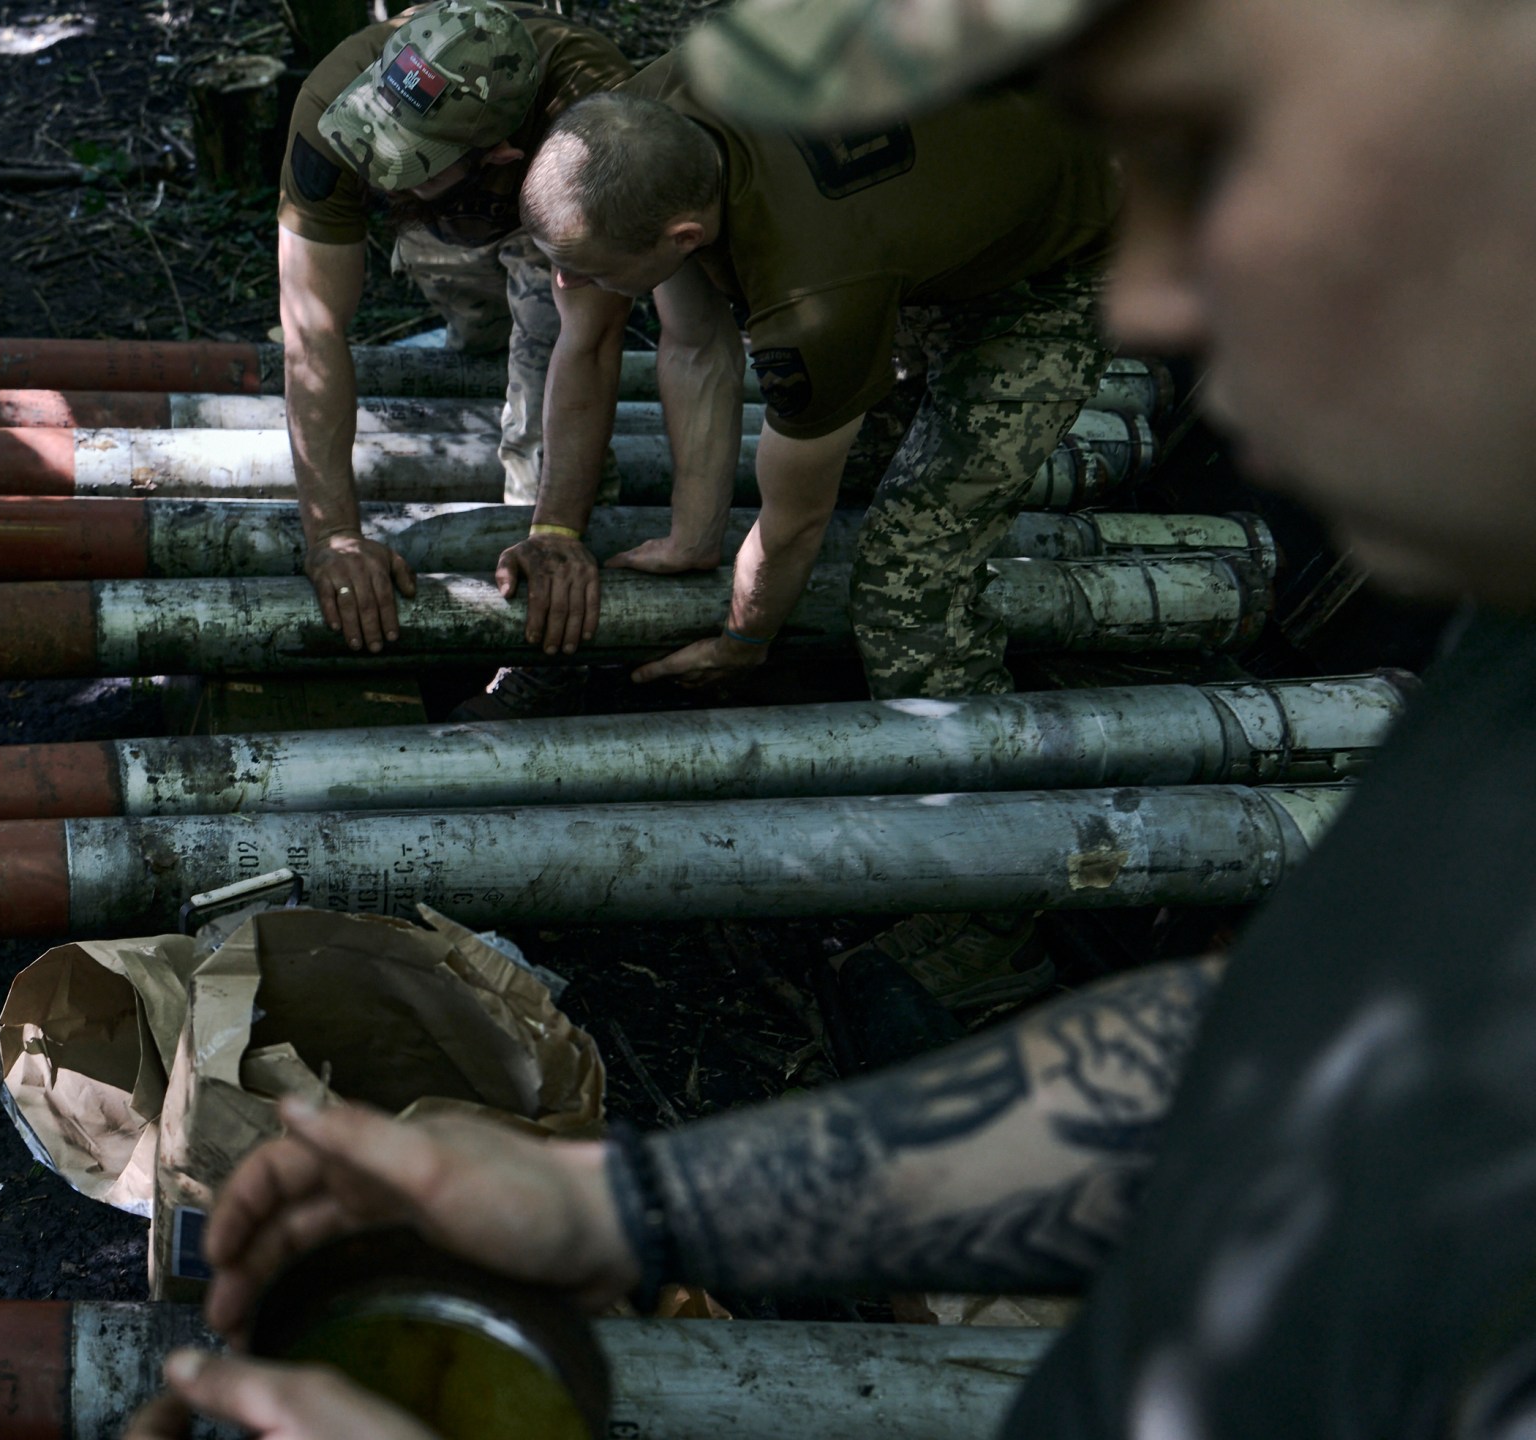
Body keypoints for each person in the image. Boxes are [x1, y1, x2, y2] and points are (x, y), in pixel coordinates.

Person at [122, 0, 1536, 1434]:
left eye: (1253, 161)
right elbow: (1256, 1058)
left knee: (921, 576)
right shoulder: (1501, 675)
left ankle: (979, 920)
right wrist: (637, 1206)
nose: (1164, 296)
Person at [499, 65, 1121, 1024]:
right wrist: (694, 537)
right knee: (859, 457)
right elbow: (689, 332)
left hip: (1052, 258)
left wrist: (745, 641)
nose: (568, 286)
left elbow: (791, 523)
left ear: (683, 236)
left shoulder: (812, 294)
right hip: (948, 185)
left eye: (592, 270)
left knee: (912, 576)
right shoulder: (652, 111)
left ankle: (1006, 901)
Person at [275, 0, 627, 657]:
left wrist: (554, 532)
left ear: (497, 153)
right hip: (443, 218)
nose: (373, 163)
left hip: (555, 200)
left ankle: (537, 654)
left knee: (545, 353)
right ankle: (483, 340)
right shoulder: (335, 106)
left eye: (406, 156)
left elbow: (593, 339)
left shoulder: (596, 122)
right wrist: (333, 537)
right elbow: (310, 329)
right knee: (479, 334)